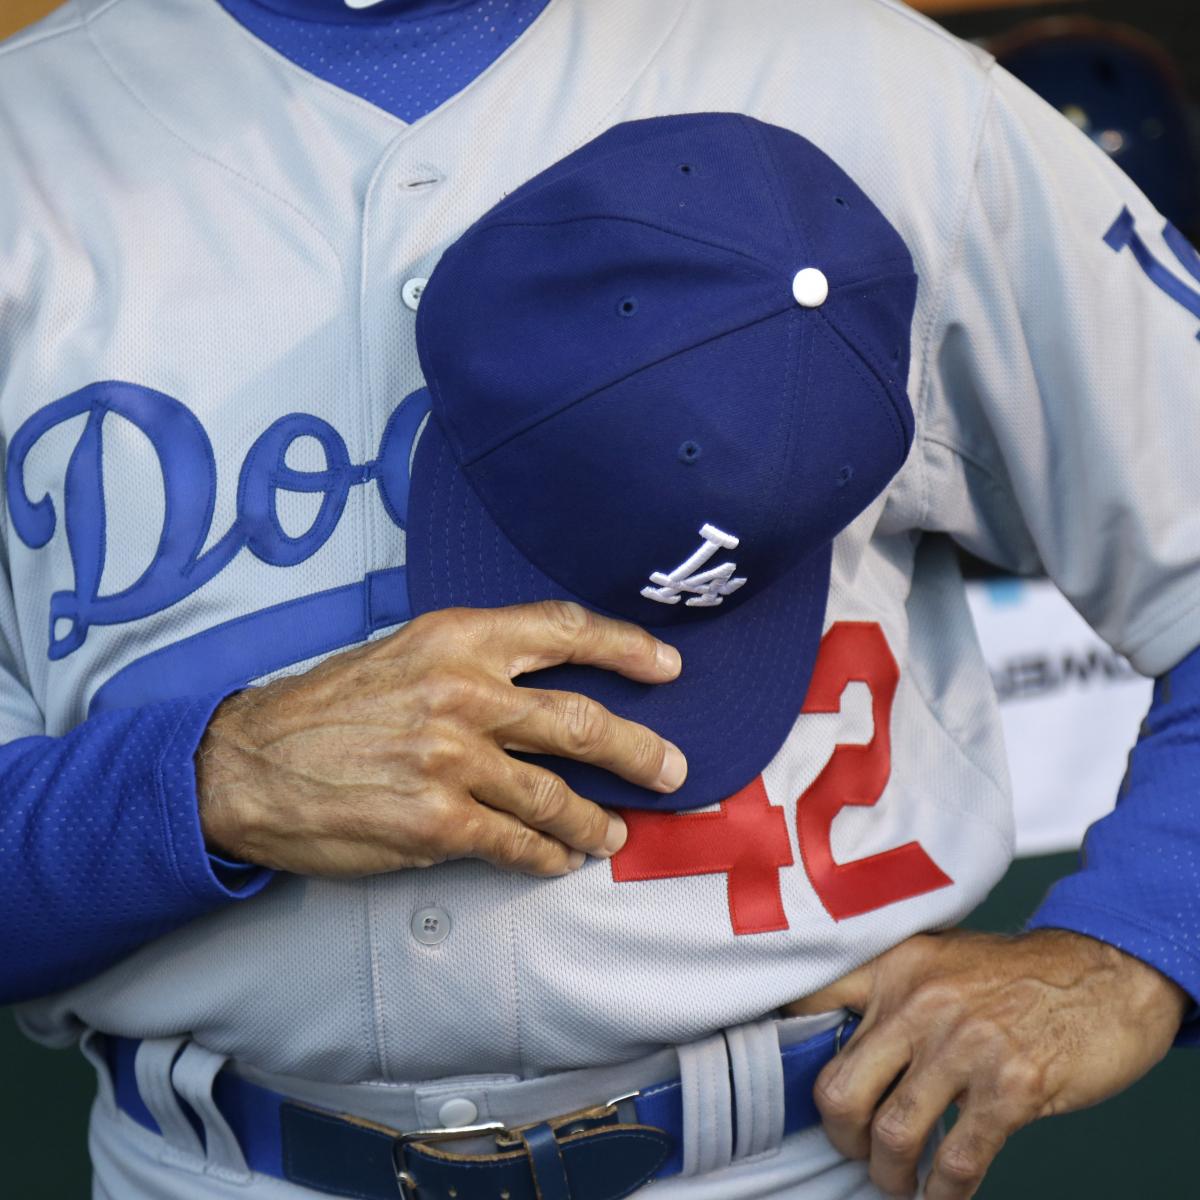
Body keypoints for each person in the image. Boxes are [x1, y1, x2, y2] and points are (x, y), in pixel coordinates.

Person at [1, 2, 1197, 1198]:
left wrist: (1135, 949)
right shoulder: (30, 138)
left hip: (789, 1159)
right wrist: (203, 790)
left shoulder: (885, 89)